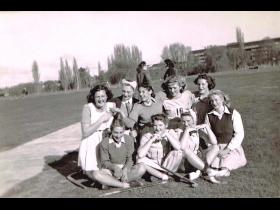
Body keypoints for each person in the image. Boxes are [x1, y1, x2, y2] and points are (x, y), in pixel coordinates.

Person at [92, 118, 146, 189]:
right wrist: (114, 168)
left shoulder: (129, 139)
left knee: (142, 167)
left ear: (124, 131)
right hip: (111, 170)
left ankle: (111, 183)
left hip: (125, 169)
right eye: (115, 132)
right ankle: (123, 184)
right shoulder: (104, 142)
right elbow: (104, 162)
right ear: (111, 130)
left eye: (121, 132)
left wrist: (125, 169)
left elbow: (130, 159)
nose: (118, 136)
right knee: (96, 174)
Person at [205, 90, 247, 178]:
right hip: (216, 147)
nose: (214, 103)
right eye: (211, 101)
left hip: (231, 147)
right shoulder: (209, 116)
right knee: (212, 164)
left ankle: (223, 172)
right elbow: (207, 135)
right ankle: (216, 172)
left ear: (222, 99)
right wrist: (214, 148)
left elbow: (239, 134)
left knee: (226, 163)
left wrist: (227, 150)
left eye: (216, 100)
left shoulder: (234, 113)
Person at [78, 84, 116, 181]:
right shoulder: (88, 108)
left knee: (110, 166)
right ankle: (101, 179)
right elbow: (85, 132)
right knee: (92, 171)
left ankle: (106, 179)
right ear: (93, 98)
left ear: (107, 96)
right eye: (97, 97)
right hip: (91, 141)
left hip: (107, 140)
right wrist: (101, 119)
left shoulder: (111, 106)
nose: (100, 99)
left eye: (103, 96)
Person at [111, 83, 163, 149]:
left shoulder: (158, 101)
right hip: (146, 134)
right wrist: (121, 112)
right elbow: (130, 124)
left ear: (150, 91)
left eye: (143, 92)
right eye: (140, 92)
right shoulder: (137, 106)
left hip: (160, 131)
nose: (141, 94)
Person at [175, 109, 219, 181]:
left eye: (188, 121)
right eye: (183, 121)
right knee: (186, 150)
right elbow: (182, 148)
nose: (186, 124)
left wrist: (207, 127)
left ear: (194, 120)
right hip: (185, 162)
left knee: (215, 147)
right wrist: (186, 131)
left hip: (198, 158)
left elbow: (214, 142)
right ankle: (206, 171)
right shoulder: (179, 131)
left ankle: (199, 172)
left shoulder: (197, 130)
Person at [137, 114, 181, 182]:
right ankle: (163, 176)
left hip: (166, 164)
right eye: (155, 125)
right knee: (139, 159)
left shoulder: (170, 132)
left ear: (166, 125)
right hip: (153, 164)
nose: (157, 128)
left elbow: (178, 147)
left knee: (178, 152)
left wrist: (167, 134)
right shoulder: (147, 136)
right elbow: (140, 155)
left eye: (160, 125)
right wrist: (151, 140)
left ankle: (161, 175)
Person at [192, 73, 216, 149]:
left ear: (208, 84)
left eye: (203, 84)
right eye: (198, 84)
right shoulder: (193, 97)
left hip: (208, 129)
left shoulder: (213, 98)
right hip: (194, 128)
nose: (200, 87)